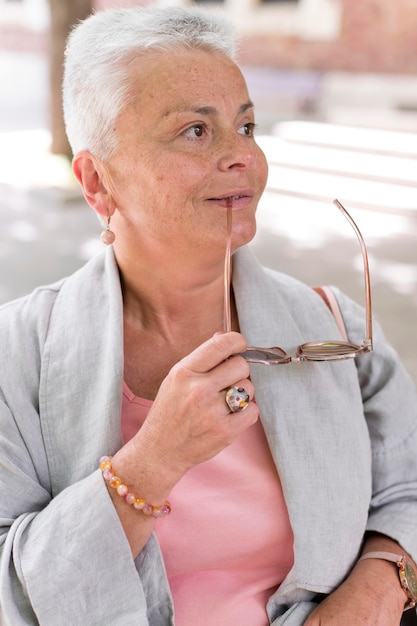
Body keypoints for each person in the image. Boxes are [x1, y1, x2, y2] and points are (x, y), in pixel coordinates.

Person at [0, 5, 417, 625]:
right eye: (195, 131)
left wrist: (379, 589)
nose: (241, 156)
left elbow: (406, 488)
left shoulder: (336, 328)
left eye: (246, 127)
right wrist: (154, 460)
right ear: (97, 182)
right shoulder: (16, 355)